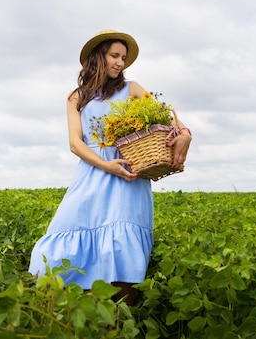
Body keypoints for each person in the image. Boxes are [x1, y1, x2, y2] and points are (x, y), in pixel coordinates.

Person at [28, 29, 192, 305]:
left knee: (122, 247)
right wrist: (106, 165)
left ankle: (119, 321)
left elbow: (166, 117)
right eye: (114, 55)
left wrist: (184, 132)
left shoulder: (133, 89)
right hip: (94, 172)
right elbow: (75, 144)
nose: (120, 62)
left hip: (129, 172)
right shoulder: (76, 97)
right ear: (98, 57)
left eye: (123, 58)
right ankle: (61, 308)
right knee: (64, 231)